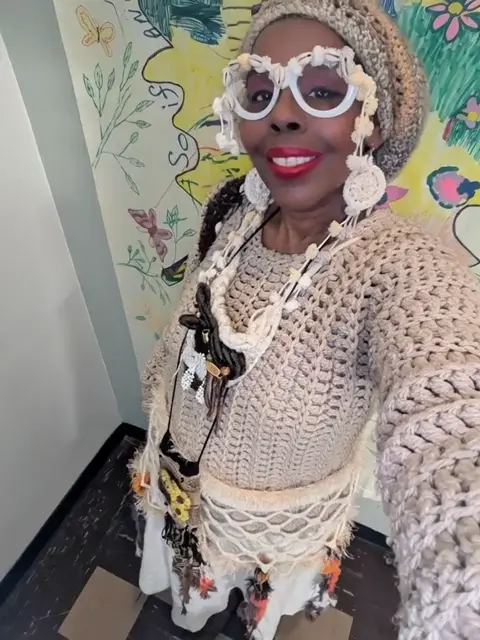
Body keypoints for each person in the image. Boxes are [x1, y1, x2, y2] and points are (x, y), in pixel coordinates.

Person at [131, 1, 480, 638]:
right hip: (176, 482)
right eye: (260, 94)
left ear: (374, 122)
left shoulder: (396, 268)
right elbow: (191, 325)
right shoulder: (234, 210)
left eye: (322, 91)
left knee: (253, 602)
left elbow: (448, 409)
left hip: (268, 528)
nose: (282, 115)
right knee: (193, 594)